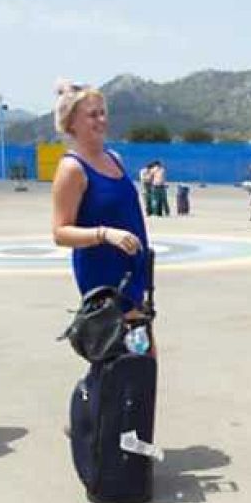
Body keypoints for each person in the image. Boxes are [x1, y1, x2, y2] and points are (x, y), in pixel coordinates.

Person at [50, 80, 151, 322]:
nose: (101, 120)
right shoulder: (72, 169)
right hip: (104, 280)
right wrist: (105, 234)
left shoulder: (114, 159)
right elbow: (60, 232)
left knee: (141, 355)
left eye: (103, 113)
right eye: (92, 115)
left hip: (133, 273)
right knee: (121, 355)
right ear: (71, 123)